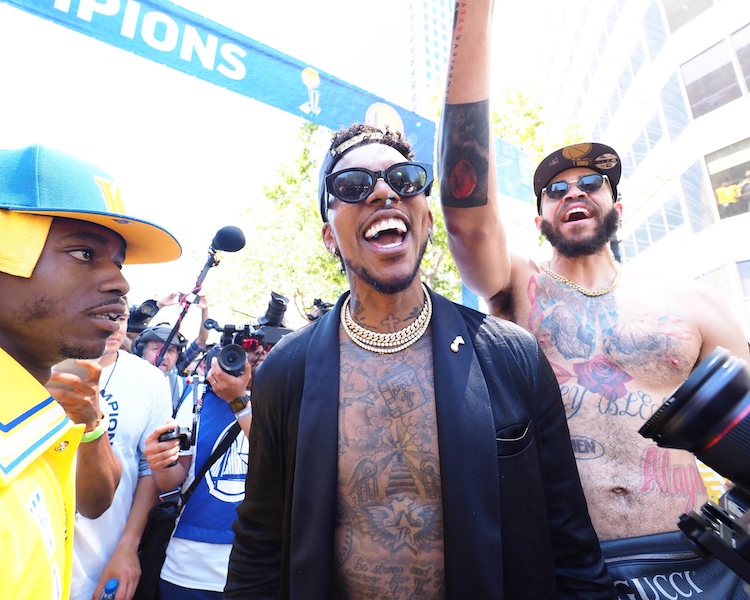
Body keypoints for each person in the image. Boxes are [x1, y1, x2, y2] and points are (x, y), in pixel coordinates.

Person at [223, 120, 614, 599]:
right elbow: (260, 541)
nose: (384, 192)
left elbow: (571, 544)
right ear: (329, 237)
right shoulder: (287, 370)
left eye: (405, 179)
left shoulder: (512, 356)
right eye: (352, 185)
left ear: (427, 219)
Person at [439, 0, 750, 589]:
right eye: (554, 190)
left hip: (701, 563)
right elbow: (465, 214)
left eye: (591, 183)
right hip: (572, 570)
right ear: (538, 220)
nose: (573, 193)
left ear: (618, 207)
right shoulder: (516, 289)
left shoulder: (694, 303)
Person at [0, 144, 181, 599]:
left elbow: (96, 503)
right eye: (82, 253)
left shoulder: (18, 419)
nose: (121, 283)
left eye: (117, 262)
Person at [71, 299, 173, 600]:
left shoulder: (149, 379)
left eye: (122, 317)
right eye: (104, 314)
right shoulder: (42, 364)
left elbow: (148, 468)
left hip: (105, 558)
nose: (114, 325)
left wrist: (129, 545)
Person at [145, 346, 255, 599]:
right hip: (188, 566)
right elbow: (173, 478)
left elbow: (276, 459)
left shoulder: (283, 395)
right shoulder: (199, 396)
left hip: (253, 568)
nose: (251, 356)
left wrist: (238, 400)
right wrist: (161, 462)